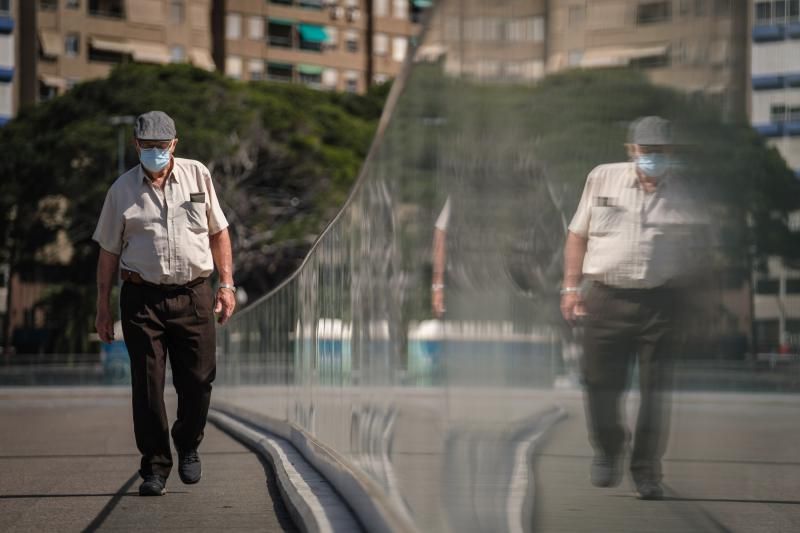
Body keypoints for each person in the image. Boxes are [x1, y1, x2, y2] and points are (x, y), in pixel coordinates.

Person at [93, 111, 236, 496]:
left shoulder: (197, 175)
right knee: (148, 385)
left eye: (162, 146)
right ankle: (154, 466)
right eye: (147, 146)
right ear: (136, 145)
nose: (155, 152)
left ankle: (188, 442)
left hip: (194, 294)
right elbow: (108, 252)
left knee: (199, 378)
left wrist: (227, 285)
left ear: (174, 143)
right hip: (142, 299)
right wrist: (103, 307)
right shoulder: (121, 190)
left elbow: (218, 232)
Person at [561, 116, 701, 500]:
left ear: (669, 153)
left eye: (658, 151)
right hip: (605, 298)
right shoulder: (602, 178)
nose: (651, 158)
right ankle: (608, 447)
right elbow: (577, 235)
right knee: (599, 383)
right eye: (644, 151)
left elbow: (698, 254)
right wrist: (571, 289)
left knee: (655, 392)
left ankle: (646, 471)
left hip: (662, 303)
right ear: (631, 150)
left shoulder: (687, 191)